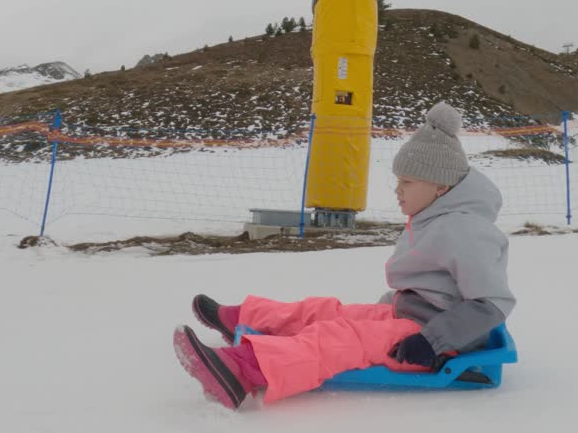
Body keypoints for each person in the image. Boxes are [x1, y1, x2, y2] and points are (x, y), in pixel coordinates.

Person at [172, 102, 516, 409]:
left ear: (440, 186)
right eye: (398, 180)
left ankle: (241, 370)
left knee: (338, 340)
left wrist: (432, 340)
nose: (397, 191)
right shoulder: (435, 217)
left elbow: (491, 303)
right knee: (327, 311)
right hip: (411, 316)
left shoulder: (464, 231)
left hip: (436, 340)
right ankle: (244, 317)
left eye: (407, 182)